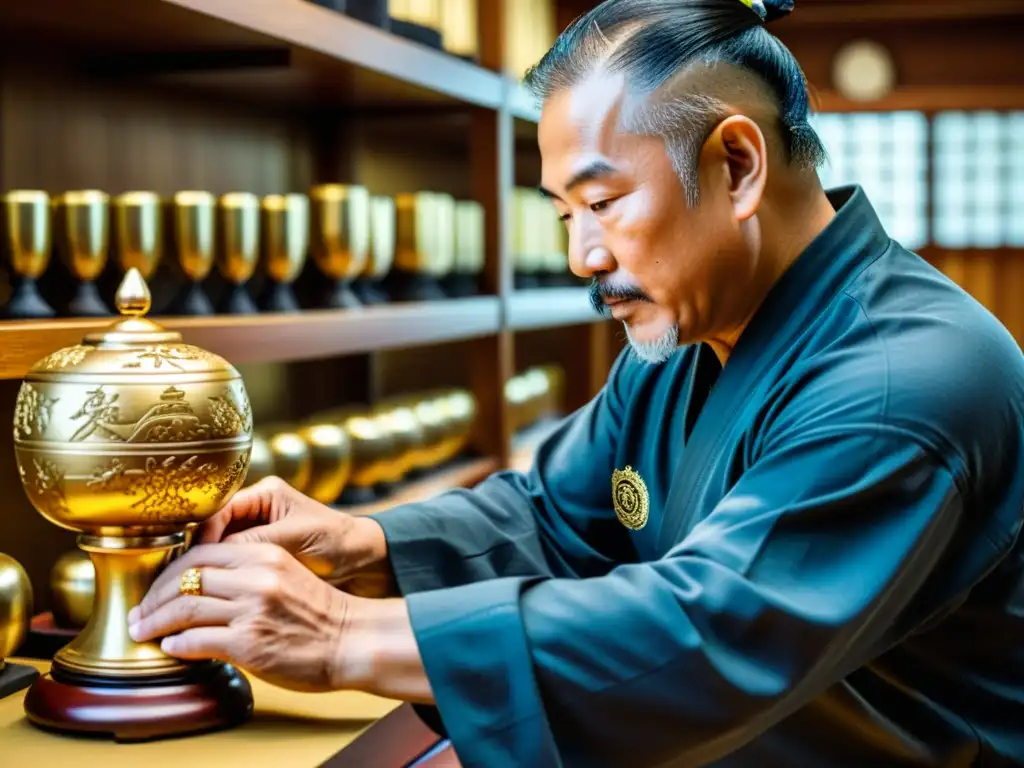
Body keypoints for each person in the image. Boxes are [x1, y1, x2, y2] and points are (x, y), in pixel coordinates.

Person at [127, 0, 1024, 765]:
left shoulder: (903, 381)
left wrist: (337, 635)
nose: (580, 255)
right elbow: (554, 513)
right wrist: (363, 545)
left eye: (601, 204)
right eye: (564, 211)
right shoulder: (695, 332)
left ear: (738, 167)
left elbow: (711, 629)